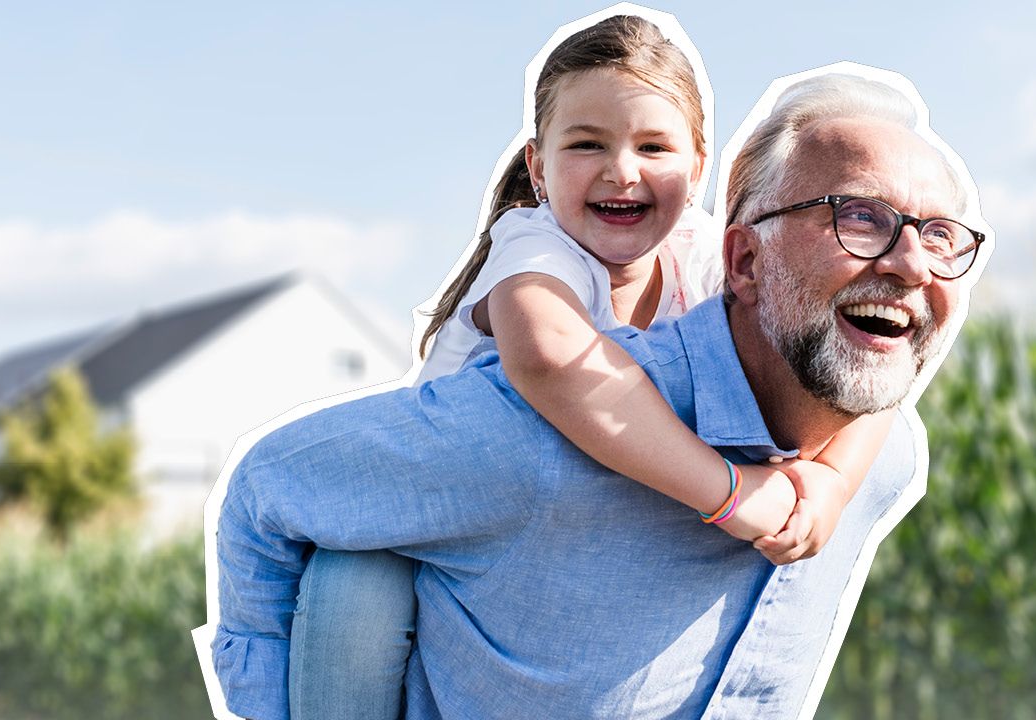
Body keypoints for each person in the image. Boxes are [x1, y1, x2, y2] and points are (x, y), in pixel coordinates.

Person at [201, 65, 990, 719]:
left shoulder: (884, 456)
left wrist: (830, 481)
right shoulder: (538, 387)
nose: (912, 265)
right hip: (421, 504)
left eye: (941, 235)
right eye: (859, 218)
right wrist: (728, 493)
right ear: (745, 261)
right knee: (352, 587)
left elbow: (878, 393)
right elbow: (270, 485)